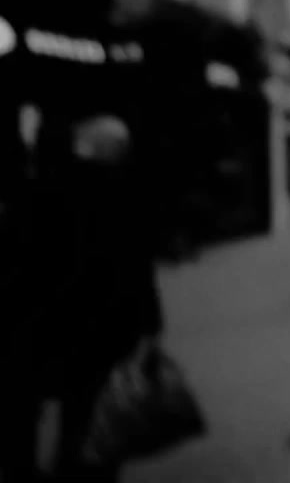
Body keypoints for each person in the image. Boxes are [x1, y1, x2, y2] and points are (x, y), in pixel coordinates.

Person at [2, 114, 164, 482]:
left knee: (23, 411)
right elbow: (137, 269)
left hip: (35, 325)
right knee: (87, 418)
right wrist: (150, 325)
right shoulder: (124, 197)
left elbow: (12, 256)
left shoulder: (38, 189)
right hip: (100, 331)